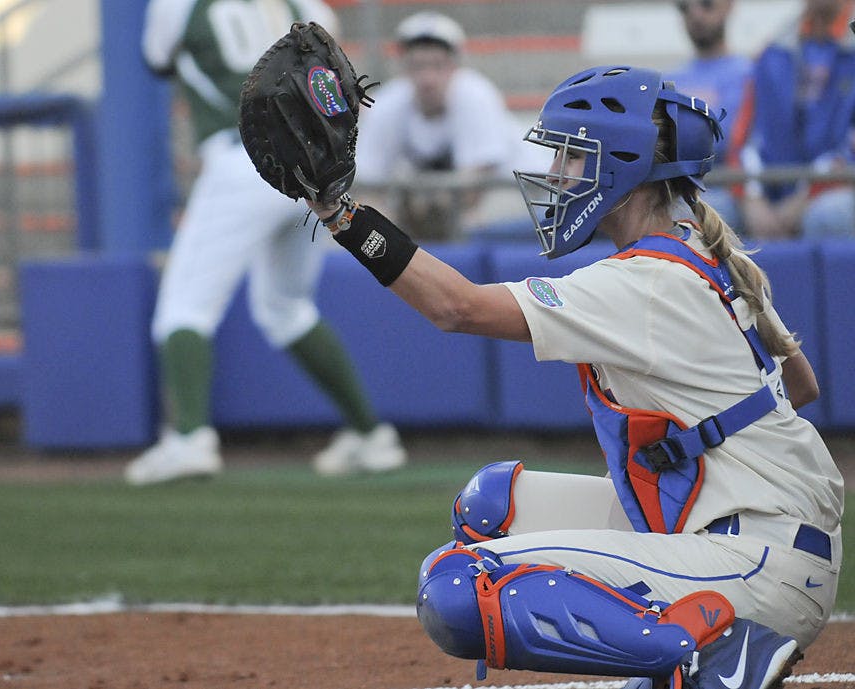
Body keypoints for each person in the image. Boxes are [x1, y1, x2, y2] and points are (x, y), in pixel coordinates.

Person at [307, 65, 842, 689]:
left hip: (754, 564)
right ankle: (693, 641)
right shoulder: (701, 246)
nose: (559, 174)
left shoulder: (642, 279)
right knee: (492, 505)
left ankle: (713, 657)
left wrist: (341, 213)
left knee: (457, 586)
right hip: (763, 537)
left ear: (624, 162)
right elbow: (799, 387)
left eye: (573, 154)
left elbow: (456, 308)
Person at [126, 0, 406, 484]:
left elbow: (157, 59)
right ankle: (371, 435)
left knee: (185, 308)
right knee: (286, 308)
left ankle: (189, 439)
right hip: (309, 164)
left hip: (241, 157)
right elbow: (329, 62)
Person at [354, 11, 543, 240]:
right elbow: (366, 185)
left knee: (473, 225)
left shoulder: (474, 95)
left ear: (454, 66)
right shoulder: (388, 104)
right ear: (403, 67)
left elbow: (474, 188)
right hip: (449, 202)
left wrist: (422, 204)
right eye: (418, 66)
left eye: (437, 65)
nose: (428, 78)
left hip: (521, 192)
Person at [738, 0, 855, 240]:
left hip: (838, 187)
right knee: (713, 210)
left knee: (829, 215)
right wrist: (752, 197)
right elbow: (743, 139)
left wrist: (807, 196)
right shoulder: (772, 53)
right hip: (772, 191)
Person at [665, 0, 751, 232]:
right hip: (675, 188)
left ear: (729, 6)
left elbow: (725, 141)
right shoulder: (668, 79)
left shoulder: (748, 74)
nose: (695, 15)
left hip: (724, 190)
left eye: (706, 4)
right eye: (684, 8)